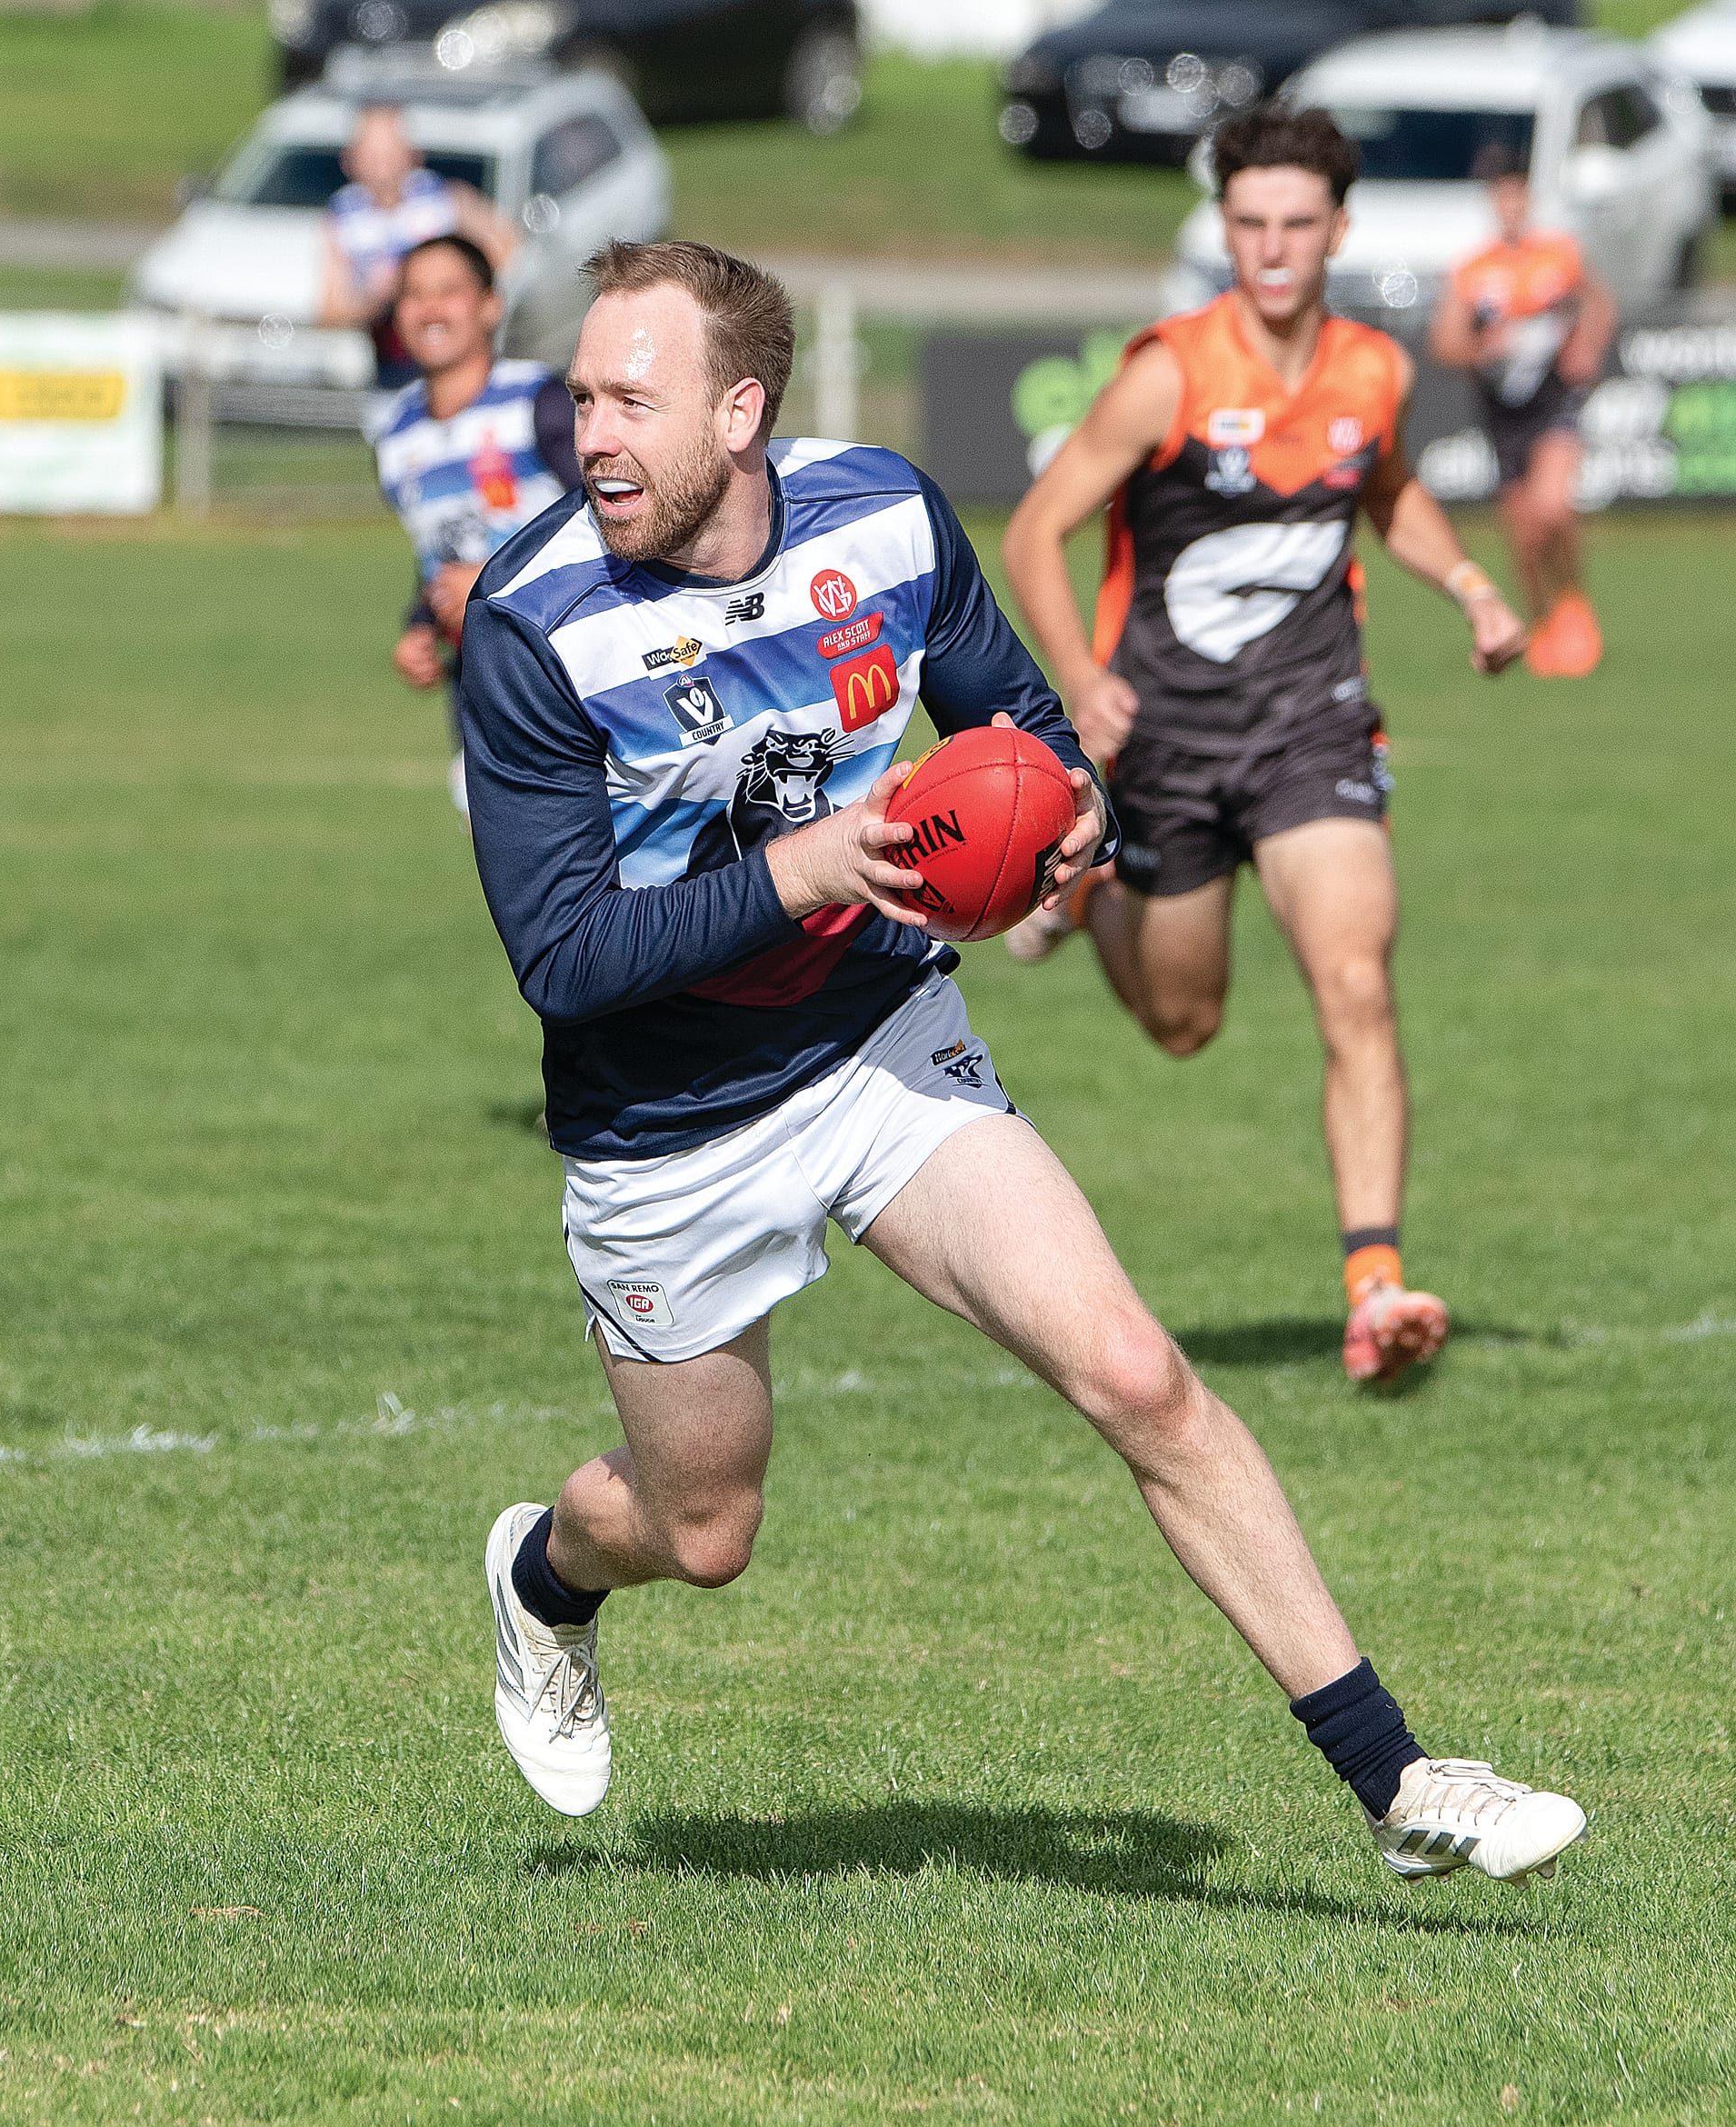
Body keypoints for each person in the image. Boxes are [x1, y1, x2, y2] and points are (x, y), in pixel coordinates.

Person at [457, 236, 1586, 1891]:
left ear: (745, 409)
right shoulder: (534, 621)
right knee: (699, 1536)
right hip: (665, 1124)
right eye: (580, 399)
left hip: (878, 1043)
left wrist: (1064, 836)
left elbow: (1036, 744)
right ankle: (545, 1582)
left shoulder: (887, 520)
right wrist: (814, 863)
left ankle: (1399, 1780)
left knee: (1138, 1377)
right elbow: (559, 962)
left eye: (633, 399)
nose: (593, 436)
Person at [999, 105, 1529, 1386]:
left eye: (1297, 223)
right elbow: (1033, 532)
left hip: (1311, 723)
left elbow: (1386, 490)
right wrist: (1077, 679)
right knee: (1185, 1026)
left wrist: (1466, 583)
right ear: (1223, 226)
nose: (1273, 248)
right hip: (1167, 739)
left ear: (1337, 227)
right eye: (1249, 223)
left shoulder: (1371, 370)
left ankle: (1376, 1284)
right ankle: (1092, 884)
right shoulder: (1169, 374)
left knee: (1355, 980)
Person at [373, 234, 583, 815]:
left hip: (571, 674)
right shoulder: (395, 438)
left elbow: (612, 527)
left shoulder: (540, 402)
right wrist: (421, 625)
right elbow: (439, 559)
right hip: (480, 688)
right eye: (414, 294)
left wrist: (494, 587)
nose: (431, 309)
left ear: (490, 305)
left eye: (449, 291)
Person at [1430, 142, 1616, 678]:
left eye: (1518, 194)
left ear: (1528, 197)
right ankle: (1540, 616)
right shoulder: (1473, 271)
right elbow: (1446, 344)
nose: (1510, 205)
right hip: (1503, 410)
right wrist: (1484, 349)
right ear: (1491, 202)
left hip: (1555, 400)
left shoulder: (1558, 253)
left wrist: (1585, 346)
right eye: (1500, 196)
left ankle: (1573, 601)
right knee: (1525, 531)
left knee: (1554, 506)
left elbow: (1598, 303)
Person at [320, 103, 516, 391]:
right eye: (372, 155)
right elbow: (329, 311)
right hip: (392, 368)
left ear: (413, 156)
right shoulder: (343, 218)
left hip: (458, 359)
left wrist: (456, 282)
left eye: (390, 154)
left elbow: (507, 249)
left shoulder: (445, 198)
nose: (382, 168)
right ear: (350, 161)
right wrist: (372, 300)